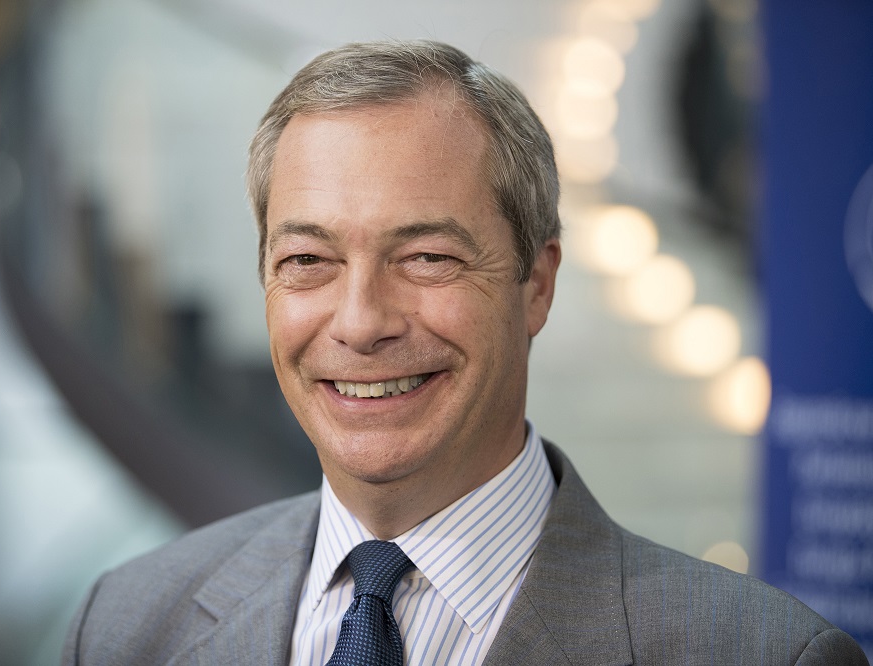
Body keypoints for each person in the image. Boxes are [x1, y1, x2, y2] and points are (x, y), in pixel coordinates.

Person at [62, 40, 868, 665]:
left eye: (427, 258)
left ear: (535, 286)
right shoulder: (127, 626)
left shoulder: (758, 654)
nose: (361, 321)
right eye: (308, 261)